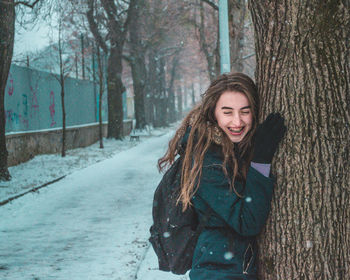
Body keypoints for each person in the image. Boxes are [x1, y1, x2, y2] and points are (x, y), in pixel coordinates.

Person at [158, 72, 286, 279]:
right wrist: (261, 159)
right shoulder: (206, 160)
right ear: (213, 113)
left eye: (245, 111)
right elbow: (247, 221)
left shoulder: (232, 148)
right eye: (227, 112)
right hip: (218, 270)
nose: (237, 121)